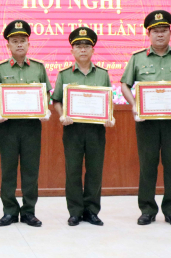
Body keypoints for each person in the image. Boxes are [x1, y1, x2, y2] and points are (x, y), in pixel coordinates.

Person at [120, 10, 171, 228]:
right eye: (155, 31)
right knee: (148, 166)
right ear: (148, 34)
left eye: (164, 31)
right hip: (147, 124)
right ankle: (147, 210)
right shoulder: (137, 58)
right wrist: (134, 105)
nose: (160, 35)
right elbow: (125, 84)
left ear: (170, 32)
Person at [0, 20, 51, 228]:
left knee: (30, 170)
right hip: (8, 127)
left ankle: (29, 212)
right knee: (8, 170)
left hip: (32, 127)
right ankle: (9, 211)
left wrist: (45, 109)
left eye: (23, 40)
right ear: (8, 45)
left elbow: (46, 94)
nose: (19, 44)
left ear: (28, 43)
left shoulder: (39, 69)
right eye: (15, 41)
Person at [52, 27, 115, 227]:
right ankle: (75, 211)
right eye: (78, 46)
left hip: (96, 130)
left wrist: (110, 117)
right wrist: (62, 115)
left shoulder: (103, 74)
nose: (83, 49)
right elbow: (56, 101)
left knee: (95, 171)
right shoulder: (64, 74)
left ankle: (91, 211)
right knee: (73, 171)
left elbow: (107, 103)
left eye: (87, 45)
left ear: (93, 49)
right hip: (73, 130)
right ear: (72, 50)